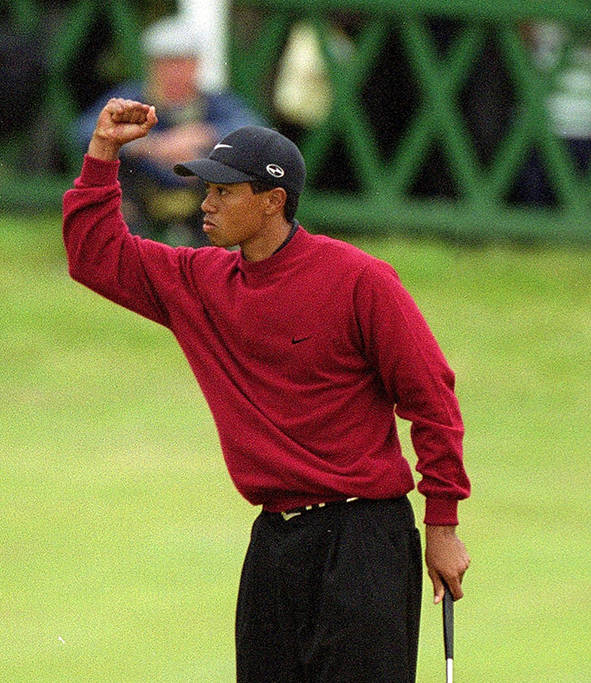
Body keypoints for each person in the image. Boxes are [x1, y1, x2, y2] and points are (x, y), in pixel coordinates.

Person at [62, 98, 472, 681]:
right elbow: (94, 256)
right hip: (274, 543)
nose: (206, 203)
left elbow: (431, 396)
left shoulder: (359, 279)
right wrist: (103, 154)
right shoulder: (200, 282)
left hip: (364, 541)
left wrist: (443, 524)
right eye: (206, 189)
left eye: (224, 192)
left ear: (273, 201)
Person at [68, 16, 262, 245]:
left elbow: (256, 129)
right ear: (152, 66)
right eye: (167, 64)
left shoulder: (214, 102)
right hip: (142, 189)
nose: (175, 73)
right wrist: (150, 146)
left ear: (196, 65)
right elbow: (84, 130)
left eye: (182, 64)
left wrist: (201, 136)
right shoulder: (133, 98)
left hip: (198, 194)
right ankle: (115, 244)